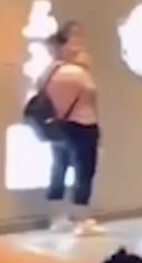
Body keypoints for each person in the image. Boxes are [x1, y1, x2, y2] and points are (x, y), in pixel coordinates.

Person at [44, 21, 105, 235]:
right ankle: (81, 219)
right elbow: (91, 94)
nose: (79, 44)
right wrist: (85, 67)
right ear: (64, 44)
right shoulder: (77, 72)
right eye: (74, 39)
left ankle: (56, 217)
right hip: (83, 125)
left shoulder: (49, 71)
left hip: (59, 127)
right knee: (84, 172)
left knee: (58, 168)